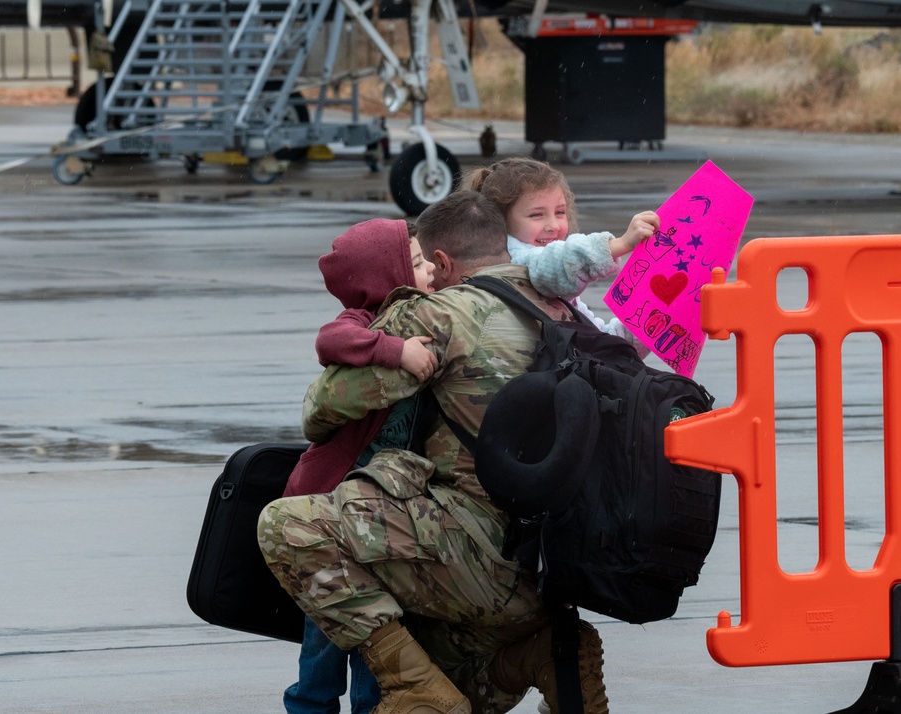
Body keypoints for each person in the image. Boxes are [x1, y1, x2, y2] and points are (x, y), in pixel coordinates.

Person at [258, 190, 608, 714]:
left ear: (442, 262)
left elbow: (322, 409)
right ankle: (543, 652)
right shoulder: (569, 313)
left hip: (475, 561)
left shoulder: (438, 314)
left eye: (426, 263)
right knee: (449, 671)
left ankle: (414, 689)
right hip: (562, 568)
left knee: (285, 527)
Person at [282, 218, 439, 714]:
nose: (430, 267)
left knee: (380, 631)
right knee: (326, 632)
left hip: (382, 516)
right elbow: (331, 341)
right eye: (415, 262)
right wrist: (398, 351)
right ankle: (311, 706)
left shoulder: (435, 315)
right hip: (328, 513)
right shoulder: (362, 320)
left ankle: (373, 708)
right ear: (384, 275)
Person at [465, 156, 658, 354]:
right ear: (499, 220)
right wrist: (621, 244)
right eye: (536, 215)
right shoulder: (512, 260)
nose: (554, 226)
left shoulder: (554, 276)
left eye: (560, 212)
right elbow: (551, 264)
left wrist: (649, 323)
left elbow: (598, 338)